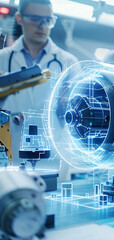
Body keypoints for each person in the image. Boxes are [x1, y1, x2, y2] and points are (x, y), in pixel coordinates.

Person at [0, 0, 78, 167]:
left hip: (55, 156)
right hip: (10, 156)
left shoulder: (68, 62)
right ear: (20, 18)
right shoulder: (2, 59)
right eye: (35, 19)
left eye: (48, 20)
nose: (42, 26)